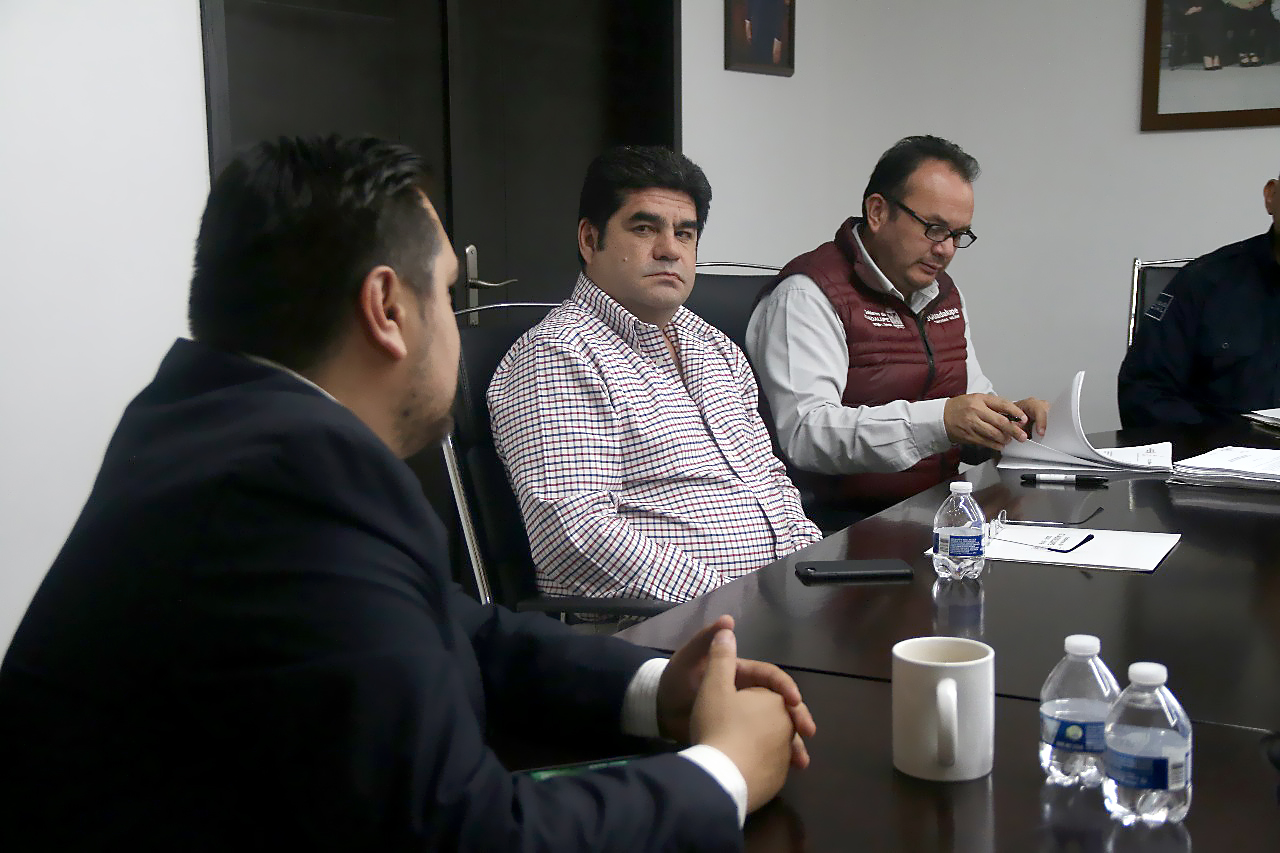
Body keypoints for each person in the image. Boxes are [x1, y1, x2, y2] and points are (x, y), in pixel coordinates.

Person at [0, 136, 815, 850]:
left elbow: (460, 627)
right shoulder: (288, 486)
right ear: (388, 308)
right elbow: (465, 835)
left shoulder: (215, 422)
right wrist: (724, 771)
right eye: (449, 295)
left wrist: (654, 689)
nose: (460, 327)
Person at [488, 146, 821, 603]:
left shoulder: (716, 347)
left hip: (773, 606)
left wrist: (813, 580)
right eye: (644, 228)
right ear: (589, 239)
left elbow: (771, 484)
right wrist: (732, 603)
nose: (669, 250)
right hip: (658, 625)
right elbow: (573, 536)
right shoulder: (559, 354)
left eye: (685, 234)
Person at [747, 135, 1050, 516]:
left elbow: (966, 402)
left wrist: (1009, 424)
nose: (946, 249)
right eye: (934, 228)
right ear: (877, 212)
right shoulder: (807, 294)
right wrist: (942, 422)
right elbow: (806, 434)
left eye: (958, 235)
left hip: (936, 511)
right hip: (839, 524)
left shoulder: (943, 294)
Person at [1117, 170, 1280, 427]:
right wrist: (1223, 438)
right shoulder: (1204, 281)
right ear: (1271, 195)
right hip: (1221, 447)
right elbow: (1144, 393)